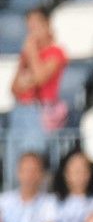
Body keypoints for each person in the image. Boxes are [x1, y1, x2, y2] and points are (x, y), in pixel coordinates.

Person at [8, 11, 67, 158]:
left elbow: (41, 78)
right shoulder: (26, 55)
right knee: (14, 158)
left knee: (35, 157)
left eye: (36, 27)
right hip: (21, 110)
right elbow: (14, 88)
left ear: (47, 26)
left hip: (41, 112)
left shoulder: (56, 53)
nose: (32, 33)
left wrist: (32, 52)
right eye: (30, 28)